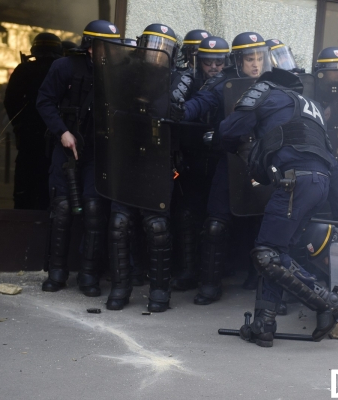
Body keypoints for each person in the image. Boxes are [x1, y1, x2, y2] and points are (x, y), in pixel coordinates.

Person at [218, 68, 338, 347]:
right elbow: (333, 163)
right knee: (278, 254)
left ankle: (328, 303)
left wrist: (230, 141)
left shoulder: (267, 93)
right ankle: (263, 326)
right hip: (320, 184)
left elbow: (229, 129)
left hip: (295, 183)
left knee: (267, 255)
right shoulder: (310, 109)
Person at [175, 32, 272, 305]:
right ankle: (210, 284)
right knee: (216, 224)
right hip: (230, 160)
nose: (255, 64)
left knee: (263, 221)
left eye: (259, 58)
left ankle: (260, 277)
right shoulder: (225, 83)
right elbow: (203, 102)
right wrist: (182, 110)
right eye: (250, 58)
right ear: (238, 60)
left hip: (265, 162)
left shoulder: (278, 83)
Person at [36, 20, 120, 296]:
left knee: (94, 210)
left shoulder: (117, 73)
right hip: (67, 147)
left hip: (98, 151)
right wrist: (62, 132)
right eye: (102, 46)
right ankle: (57, 273)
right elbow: (44, 101)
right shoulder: (64, 67)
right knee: (61, 210)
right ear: (90, 46)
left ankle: (88, 276)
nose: (107, 51)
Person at [105, 23, 182, 312]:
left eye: (164, 49)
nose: (156, 54)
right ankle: (120, 288)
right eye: (152, 45)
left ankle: (160, 291)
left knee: (157, 226)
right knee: (119, 224)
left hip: (158, 159)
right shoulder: (123, 74)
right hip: (126, 156)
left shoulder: (178, 81)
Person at [170, 36, 230, 291]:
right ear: (199, 62)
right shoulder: (188, 81)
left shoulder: (230, 84)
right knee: (186, 216)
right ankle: (188, 271)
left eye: (219, 62)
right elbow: (188, 105)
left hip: (219, 159)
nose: (214, 67)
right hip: (191, 158)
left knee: (215, 221)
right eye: (209, 62)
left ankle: (212, 275)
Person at [4, 32, 63, 210]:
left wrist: (19, 126)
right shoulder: (62, 70)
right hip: (56, 134)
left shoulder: (23, 70)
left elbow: (10, 101)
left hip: (29, 134)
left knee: (26, 181)